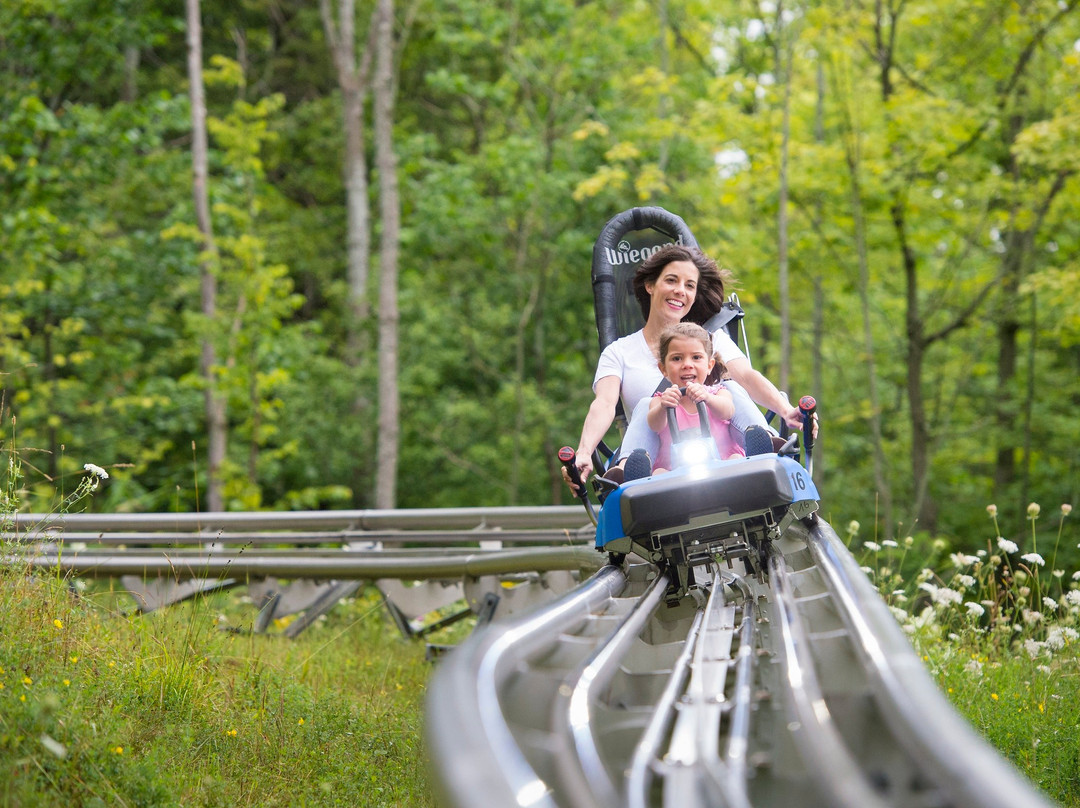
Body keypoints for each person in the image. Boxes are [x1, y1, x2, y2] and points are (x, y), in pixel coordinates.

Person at [565, 243, 810, 491]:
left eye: (689, 285)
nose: (680, 291)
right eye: (672, 280)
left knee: (729, 388)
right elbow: (604, 404)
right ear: (650, 285)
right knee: (645, 405)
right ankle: (629, 466)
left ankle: (762, 441)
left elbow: (746, 376)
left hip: (721, 452)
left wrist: (785, 409)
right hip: (660, 461)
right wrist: (584, 452)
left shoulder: (710, 339)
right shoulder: (619, 352)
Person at [646, 323, 745, 473]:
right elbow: (655, 425)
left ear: (710, 365)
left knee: (737, 458)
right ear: (663, 369)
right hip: (676, 470)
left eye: (696, 357)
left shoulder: (718, 393)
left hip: (722, 464)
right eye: (677, 358)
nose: (687, 364)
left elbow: (728, 411)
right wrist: (662, 408)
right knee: (658, 473)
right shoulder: (661, 400)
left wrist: (708, 399)